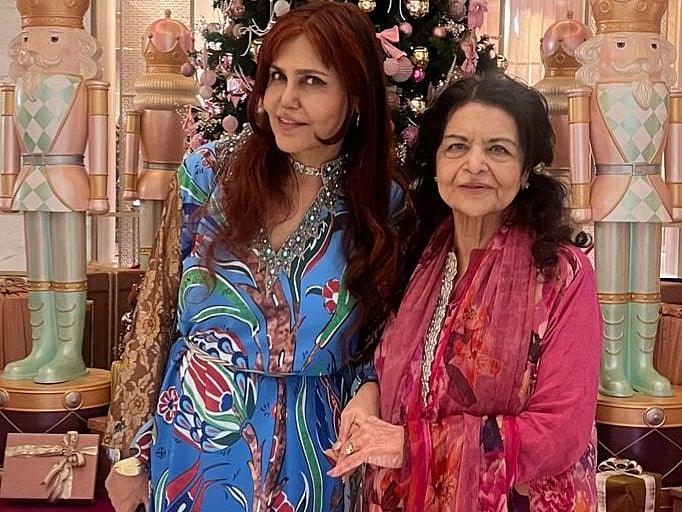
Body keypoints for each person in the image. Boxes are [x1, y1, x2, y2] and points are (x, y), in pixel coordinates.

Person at [105, 2, 410, 511]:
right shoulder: (209, 173)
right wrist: (129, 449)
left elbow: (382, 341)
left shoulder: (382, 205)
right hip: (195, 444)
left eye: (312, 81)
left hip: (315, 456)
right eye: (277, 76)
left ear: (356, 95)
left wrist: (369, 391)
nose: (285, 100)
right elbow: (156, 313)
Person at [328, 72, 602, 511]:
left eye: (498, 149)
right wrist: (367, 397)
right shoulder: (417, 256)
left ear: (526, 170)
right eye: (456, 146)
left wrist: (410, 445)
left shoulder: (561, 274)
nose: (474, 165)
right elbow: (393, 365)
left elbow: (560, 431)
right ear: (436, 163)